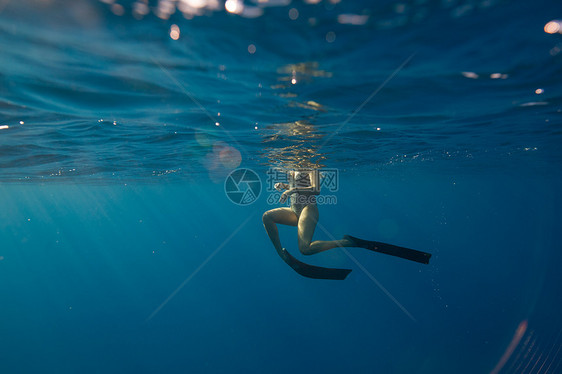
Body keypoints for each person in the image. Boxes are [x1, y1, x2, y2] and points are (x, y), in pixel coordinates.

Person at [262, 168, 431, 280]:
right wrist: (284, 185)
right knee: (267, 217)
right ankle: (280, 254)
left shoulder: (311, 165)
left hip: (308, 209)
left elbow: (316, 190)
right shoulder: (292, 164)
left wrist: (291, 190)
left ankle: (347, 242)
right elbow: (297, 184)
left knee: (305, 249)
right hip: (294, 210)